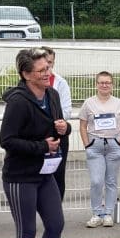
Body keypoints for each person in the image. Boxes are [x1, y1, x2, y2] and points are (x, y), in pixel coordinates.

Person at [0, 47, 71, 238]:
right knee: (27, 230)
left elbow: (60, 127)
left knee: (56, 223)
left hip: (45, 172)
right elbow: (6, 140)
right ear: (26, 74)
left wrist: (65, 128)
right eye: (41, 70)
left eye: (48, 68)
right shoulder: (18, 102)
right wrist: (42, 146)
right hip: (20, 176)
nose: (46, 73)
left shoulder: (52, 94)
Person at [78, 71, 120, 228]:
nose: (104, 85)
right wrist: (87, 145)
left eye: (107, 82)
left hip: (114, 145)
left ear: (112, 85)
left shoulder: (119, 103)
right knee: (96, 181)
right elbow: (82, 125)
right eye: (101, 82)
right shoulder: (88, 103)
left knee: (111, 181)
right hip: (95, 146)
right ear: (96, 84)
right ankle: (97, 213)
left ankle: (108, 213)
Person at [41, 46, 73, 199]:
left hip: (58, 135)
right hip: (38, 137)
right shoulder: (30, 83)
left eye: (51, 62)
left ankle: (56, 208)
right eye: (45, 62)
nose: (48, 66)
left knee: (58, 176)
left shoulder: (61, 83)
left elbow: (66, 111)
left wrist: (54, 120)